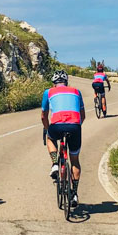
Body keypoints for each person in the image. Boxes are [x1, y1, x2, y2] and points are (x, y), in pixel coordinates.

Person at [41, 70, 85, 207]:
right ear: (66, 82)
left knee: (50, 138)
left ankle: (55, 164)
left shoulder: (48, 92)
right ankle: (75, 194)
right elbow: (83, 116)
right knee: (75, 161)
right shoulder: (77, 92)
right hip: (75, 127)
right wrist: (75, 127)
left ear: (54, 83)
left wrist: (47, 128)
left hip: (57, 126)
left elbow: (43, 116)